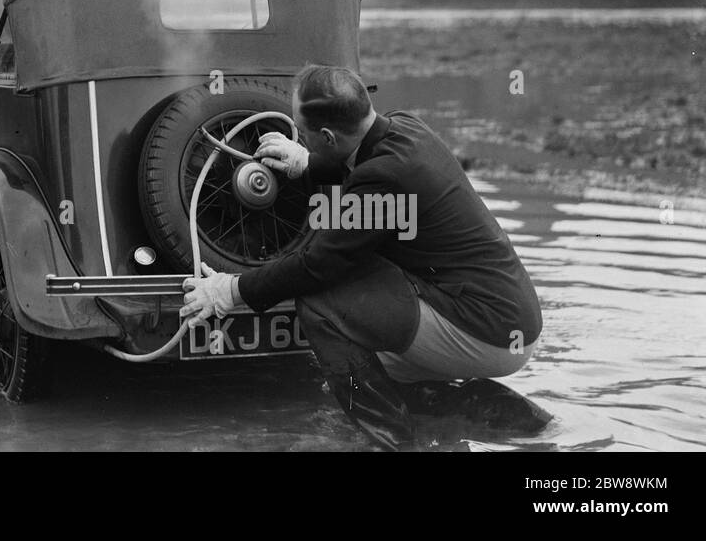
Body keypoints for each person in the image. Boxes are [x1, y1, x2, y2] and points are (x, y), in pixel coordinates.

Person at [181, 63, 543, 450]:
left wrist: (229, 291)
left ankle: (390, 439)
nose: (300, 138)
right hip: (503, 313)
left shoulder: (382, 178)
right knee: (358, 365)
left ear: (327, 135)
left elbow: (316, 266)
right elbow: (356, 163)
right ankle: (449, 413)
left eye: (304, 134)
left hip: (487, 330)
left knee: (323, 302)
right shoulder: (404, 125)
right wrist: (307, 163)